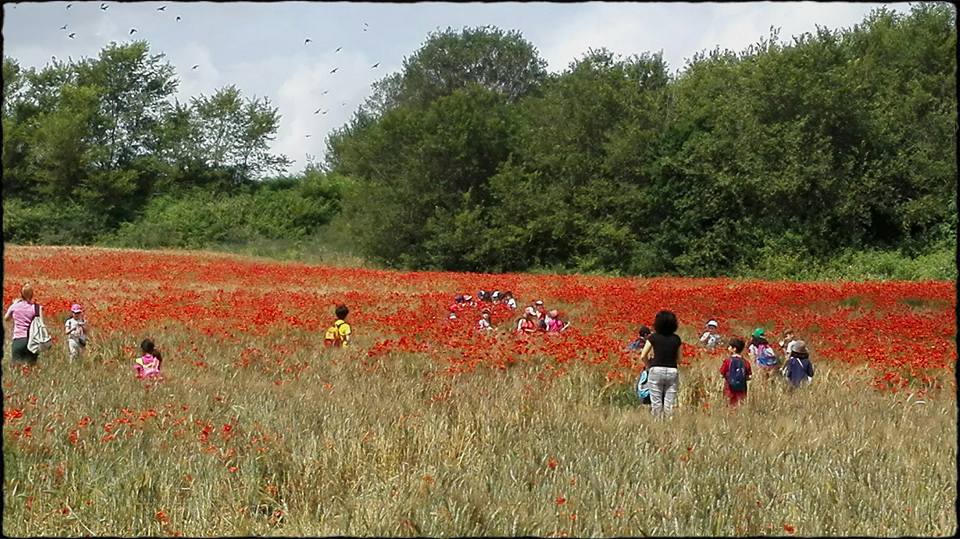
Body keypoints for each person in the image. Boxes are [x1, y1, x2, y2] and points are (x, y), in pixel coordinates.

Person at [639, 310, 682, 417]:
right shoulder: (676, 339)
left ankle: (657, 426)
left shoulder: (653, 337)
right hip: (672, 370)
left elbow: (643, 355)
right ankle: (669, 425)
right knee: (669, 404)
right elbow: (680, 359)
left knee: (656, 403)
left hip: (656, 370)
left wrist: (649, 366)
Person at [4, 284, 41, 365]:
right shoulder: (36, 308)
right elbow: (40, 323)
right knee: (32, 367)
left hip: (18, 339)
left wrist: (14, 304)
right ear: (32, 295)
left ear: (21, 294)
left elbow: (6, 318)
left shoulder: (15, 306)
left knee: (17, 367)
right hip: (32, 340)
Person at [719, 337, 752, 406]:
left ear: (734, 349)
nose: (728, 348)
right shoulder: (745, 362)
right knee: (740, 403)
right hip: (742, 387)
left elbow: (722, 373)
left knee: (729, 404)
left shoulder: (727, 361)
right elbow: (749, 376)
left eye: (730, 346)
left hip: (729, 386)